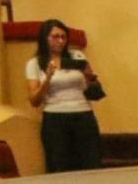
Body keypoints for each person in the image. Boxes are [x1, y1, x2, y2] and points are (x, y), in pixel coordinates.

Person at [28, 18, 101, 172]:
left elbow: (93, 92)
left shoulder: (77, 56)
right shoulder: (35, 64)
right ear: (44, 38)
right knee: (59, 167)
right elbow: (34, 100)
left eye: (63, 37)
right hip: (55, 119)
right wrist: (48, 78)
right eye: (55, 37)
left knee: (91, 165)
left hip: (83, 116)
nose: (60, 41)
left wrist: (89, 76)